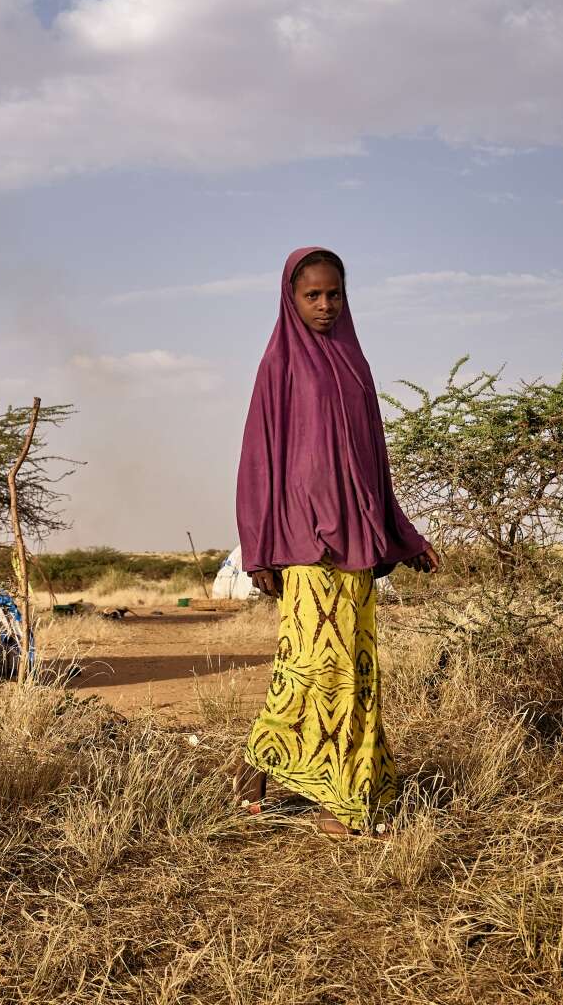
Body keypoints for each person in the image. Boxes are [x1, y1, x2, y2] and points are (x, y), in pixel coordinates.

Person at [232, 247, 438, 838]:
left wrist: (405, 536)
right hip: (302, 541)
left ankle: (262, 772)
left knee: (354, 669)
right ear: (290, 299)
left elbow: (374, 465)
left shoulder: (354, 364)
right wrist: (260, 549)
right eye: (312, 296)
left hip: (355, 544)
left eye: (334, 295)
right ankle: (331, 802)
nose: (324, 306)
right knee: (320, 671)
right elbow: (258, 464)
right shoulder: (279, 367)